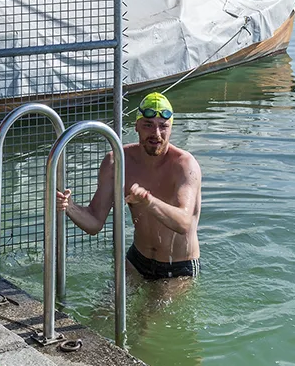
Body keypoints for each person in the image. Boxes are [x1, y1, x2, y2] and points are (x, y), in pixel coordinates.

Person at [56, 92, 202, 280]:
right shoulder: (117, 162)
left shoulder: (184, 166)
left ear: (171, 128)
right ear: (136, 126)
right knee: (106, 301)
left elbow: (184, 223)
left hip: (178, 266)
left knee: (154, 302)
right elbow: (94, 223)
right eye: (148, 125)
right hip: (137, 259)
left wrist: (149, 202)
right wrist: (69, 206)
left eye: (163, 126)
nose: (156, 134)